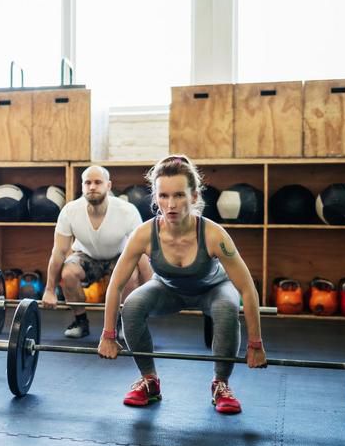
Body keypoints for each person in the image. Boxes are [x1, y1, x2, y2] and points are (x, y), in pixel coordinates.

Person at [97, 155, 268, 414]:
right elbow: (116, 286)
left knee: (226, 308)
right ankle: (149, 381)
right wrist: (108, 334)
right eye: (163, 196)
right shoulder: (144, 234)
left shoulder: (213, 234)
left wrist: (255, 344)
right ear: (155, 198)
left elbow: (246, 288)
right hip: (168, 289)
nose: (171, 204)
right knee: (131, 306)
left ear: (194, 197)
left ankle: (221, 384)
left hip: (213, 289)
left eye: (179, 195)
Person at [41, 165, 151, 339]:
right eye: (88, 183)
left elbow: (142, 255)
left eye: (98, 182)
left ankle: (123, 321)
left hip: (118, 256)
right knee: (68, 273)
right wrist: (49, 290)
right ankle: (80, 321)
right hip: (86, 256)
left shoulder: (127, 211)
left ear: (108, 185)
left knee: (130, 274)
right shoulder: (70, 211)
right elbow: (59, 252)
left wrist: (150, 294)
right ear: (83, 186)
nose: (92, 187)